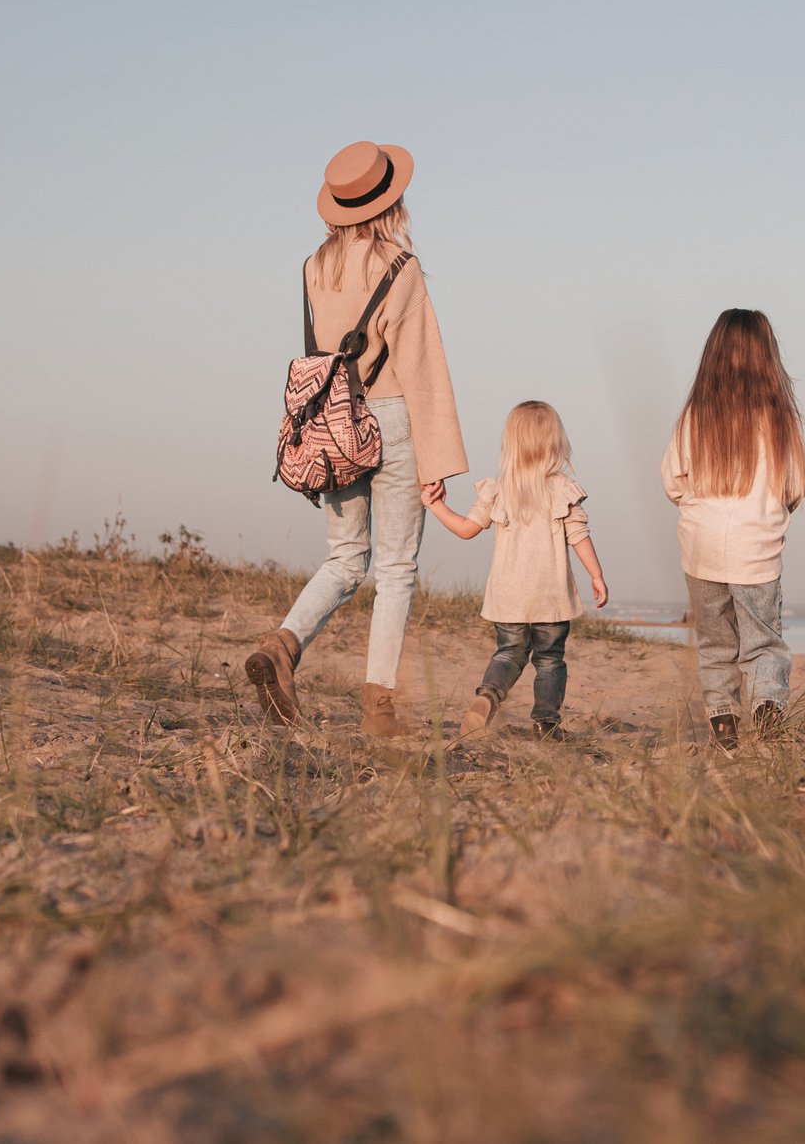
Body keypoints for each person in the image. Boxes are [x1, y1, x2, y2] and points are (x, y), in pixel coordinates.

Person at [246, 140, 468, 738]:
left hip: (332, 423)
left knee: (345, 558)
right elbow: (422, 366)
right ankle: (379, 711)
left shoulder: (315, 266)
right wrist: (440, 459)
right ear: (390, 199)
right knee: (395, 569)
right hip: (390, 419)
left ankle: (283, 644)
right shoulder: (400, 265)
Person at [663, 309, 805, 750]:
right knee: (763, 642)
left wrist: (698, 505)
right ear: (769, 358)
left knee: (714, 643)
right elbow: (795, 487)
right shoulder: (778, 419)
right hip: (756, 550)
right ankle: (766, 705)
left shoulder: (694, 417)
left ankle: (724, 720)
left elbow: (672, 479)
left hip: (701, 548)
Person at [420, 401, 609, 740]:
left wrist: (435, 505)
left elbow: (465, 529)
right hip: (550, 598)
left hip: (508, 596)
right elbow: (579, 535)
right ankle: (545, 724)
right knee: (550, 659)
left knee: (509, 651)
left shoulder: (498, 489)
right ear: (555, 443)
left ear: (511, 443)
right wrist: (596, 574)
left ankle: (489, 694)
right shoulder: (562, 489)